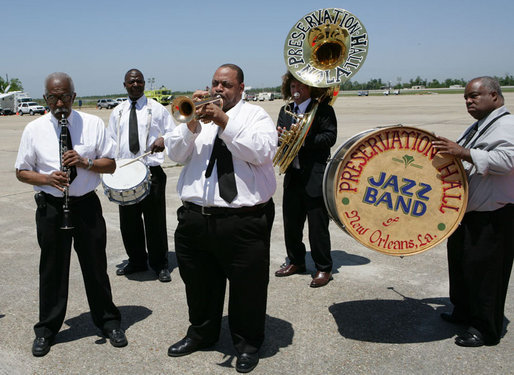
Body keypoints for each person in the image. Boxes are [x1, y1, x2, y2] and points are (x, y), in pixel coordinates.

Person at [165, 64, 277, 373]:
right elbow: (175, 154)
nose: (218, 89)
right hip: (196, 219)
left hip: (243, 221)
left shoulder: (255, 116)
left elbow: (261, 152)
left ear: (241, 88)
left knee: (248, 288)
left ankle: (247, 343)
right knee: (199, 285)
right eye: (215, 83)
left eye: (226, 84)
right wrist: (190, 126)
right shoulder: (196, 117)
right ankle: (201, 333)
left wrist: (223, 120)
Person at [15, 72, 127, 357]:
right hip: (52, 207)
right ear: (45, 99)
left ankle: (109, 321)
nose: (59, 103)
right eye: (53, 97)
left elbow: (111, 164)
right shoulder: (34, 129)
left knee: (95, 267)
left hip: (86, 206)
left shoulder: (91, 124)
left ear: (74, 96)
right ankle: (47, 330)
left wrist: (85, 161)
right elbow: (21, 171)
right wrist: (46, 180)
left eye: (65, 96)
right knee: (52, 270)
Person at [433, 76, 514, 347]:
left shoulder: (508, 125)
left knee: (486, 274)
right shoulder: (478, 126)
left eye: (474, 96)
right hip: (466, 213)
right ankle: (464, 312)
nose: (468, 101)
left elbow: (507, 161)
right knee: (462, 267)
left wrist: (463, 152)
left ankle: (485, 328)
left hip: (493, 215)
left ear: (494, 96)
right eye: (466, 97)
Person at [107, 69, 174, 283]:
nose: (135, 84)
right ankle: (136, 261)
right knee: (129, 222)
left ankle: (160, 264)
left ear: (144, 83)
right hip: (126, 172)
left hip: (151, 171)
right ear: (124, 85)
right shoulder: (117, 111)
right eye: (131, 81)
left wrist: (164, 139)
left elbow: (173, 132)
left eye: (139, 81)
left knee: (155, 221)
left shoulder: (157, 109)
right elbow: (111, 141)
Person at [274, 72, 337, 287]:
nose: (295, 90)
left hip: (314, 176)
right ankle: (296, 261)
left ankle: (323, 268)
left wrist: (302, 138)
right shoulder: (286, 110)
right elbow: (279, 136)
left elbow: (329, 137)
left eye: (300, 86)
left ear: (311, 88)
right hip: (293, 176)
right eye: (292, 86)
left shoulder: (323, 110)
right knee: (291, 224)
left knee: (318, 227)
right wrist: (281, 138)